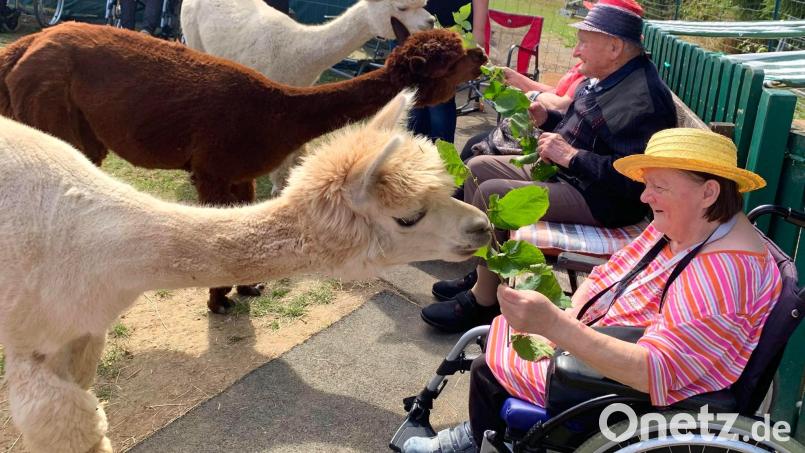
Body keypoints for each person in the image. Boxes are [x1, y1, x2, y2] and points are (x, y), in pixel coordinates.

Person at [403, 127, 782, 453]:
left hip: (641, 395)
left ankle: (480, 436)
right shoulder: (692, 223)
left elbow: (655, 372)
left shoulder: (722, 276)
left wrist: (557, 327)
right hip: (614, 336)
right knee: (506, 333)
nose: (644, 197)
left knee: (490, 367)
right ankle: (481, 431)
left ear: (709, 191)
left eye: (657, 186)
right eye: (646, 184)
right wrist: (571, 314)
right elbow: (614, 269)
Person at [421, 0, 678, 333]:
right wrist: (551, 118)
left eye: (584, 41)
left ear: (614, 46)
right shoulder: (610, 76)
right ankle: (487, 272)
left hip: (601, 199)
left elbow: (635, 178)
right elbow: (587, 127)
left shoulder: (640, 99)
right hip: (572, 176)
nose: (576, 51)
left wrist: (570, 156)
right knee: (477, 166)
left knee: (492, 194)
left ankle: (484, 301)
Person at [408, 0, 489, 143]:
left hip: (453, 40)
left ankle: (442, 155)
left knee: (439, 100)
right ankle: (414, 154)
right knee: (417, 101)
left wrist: (478, 36)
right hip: (418, 33)